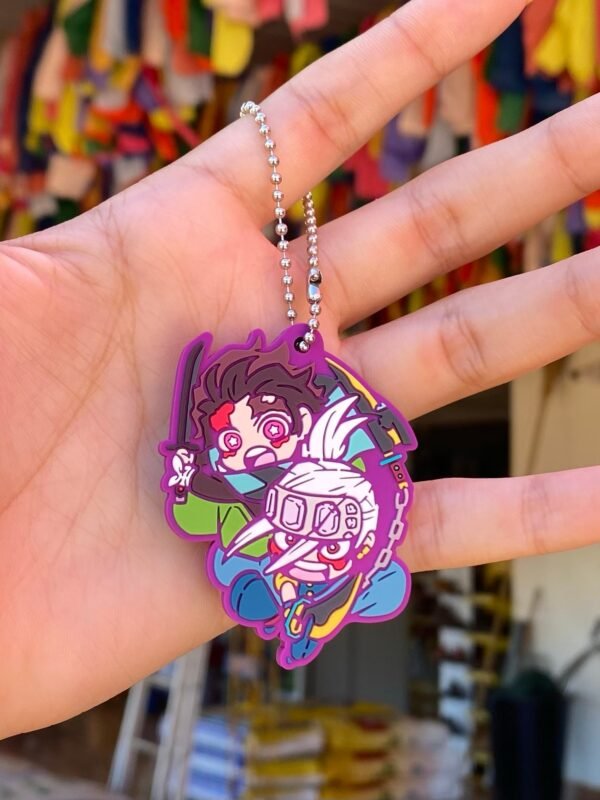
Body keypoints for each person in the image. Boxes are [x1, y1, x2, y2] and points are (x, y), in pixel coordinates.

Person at [1, 0, 599, 738]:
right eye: (234, 442)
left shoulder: (332, 432)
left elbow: (362, 444)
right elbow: (205, 508)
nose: (251, 447)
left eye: (264, 429)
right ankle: (298, 596)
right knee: (257, 557)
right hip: (286, 551)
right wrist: (191, 481)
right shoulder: (236, 492)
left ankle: (346, 583)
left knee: (337, 546)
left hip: (347, 526)